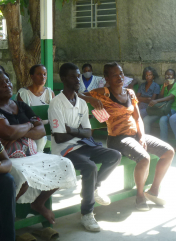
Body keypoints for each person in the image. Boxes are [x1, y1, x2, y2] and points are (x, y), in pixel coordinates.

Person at [0, 71, 77, 225]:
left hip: (32, 154)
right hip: (7, 158)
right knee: (22, 176)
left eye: (7, 81)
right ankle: (8, 219)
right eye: (0, 83)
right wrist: (28, 125)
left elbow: (41, 131)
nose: (7, 85)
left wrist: (17, 131)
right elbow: (8, 132)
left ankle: (38, 203)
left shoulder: (21, 105)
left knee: (64, 165)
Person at [89, 62, 174, 211]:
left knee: (169, 151)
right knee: (144, 158)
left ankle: (153, 190)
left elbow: (138, 118)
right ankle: (140, 196)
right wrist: (93, 100)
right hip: (118, 139)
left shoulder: (130, 92)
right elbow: (80, 94)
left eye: (121, 73)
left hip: (135, 135)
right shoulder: (103, 93)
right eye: (114, 75)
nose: (119, 77)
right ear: (107, 78)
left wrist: (141, 136)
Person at [49, 63, 121, 232]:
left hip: (83, 145)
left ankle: (95, 187)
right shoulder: (56, 103)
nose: (78, 79)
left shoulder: (81, 102)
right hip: (64, 150)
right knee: (89, 167)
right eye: (73, 76)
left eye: (78, 75)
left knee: (115, 155)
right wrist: (79, 132)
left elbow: (88, 133)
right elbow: (59, 138)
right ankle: (87, 213)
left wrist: (72, 130)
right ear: (63, 79)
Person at [142, 69, 176, 141]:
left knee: (163, 120)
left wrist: (156, 101)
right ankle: (146, 142)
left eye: (170, 75)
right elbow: (160, 97)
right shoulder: (164, 86)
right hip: (161, 108)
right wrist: (163, 87)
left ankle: (164, 143)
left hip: (172, 109)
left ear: (174, 77)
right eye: (167, 75)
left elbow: (169, 97)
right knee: (146, 120)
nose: (168, 77)